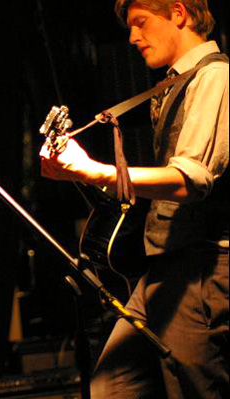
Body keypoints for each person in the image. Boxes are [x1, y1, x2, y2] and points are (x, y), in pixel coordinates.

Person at [40, 1, 228, 398]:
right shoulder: (177, 83)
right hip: (161, 271)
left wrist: (96, 170)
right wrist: (78, 173)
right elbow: (159, 189)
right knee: (110, 388)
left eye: (141, 23)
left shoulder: (216, 78)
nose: (132, 37)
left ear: (178, 13)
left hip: (200, 272)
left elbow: (189, 182)